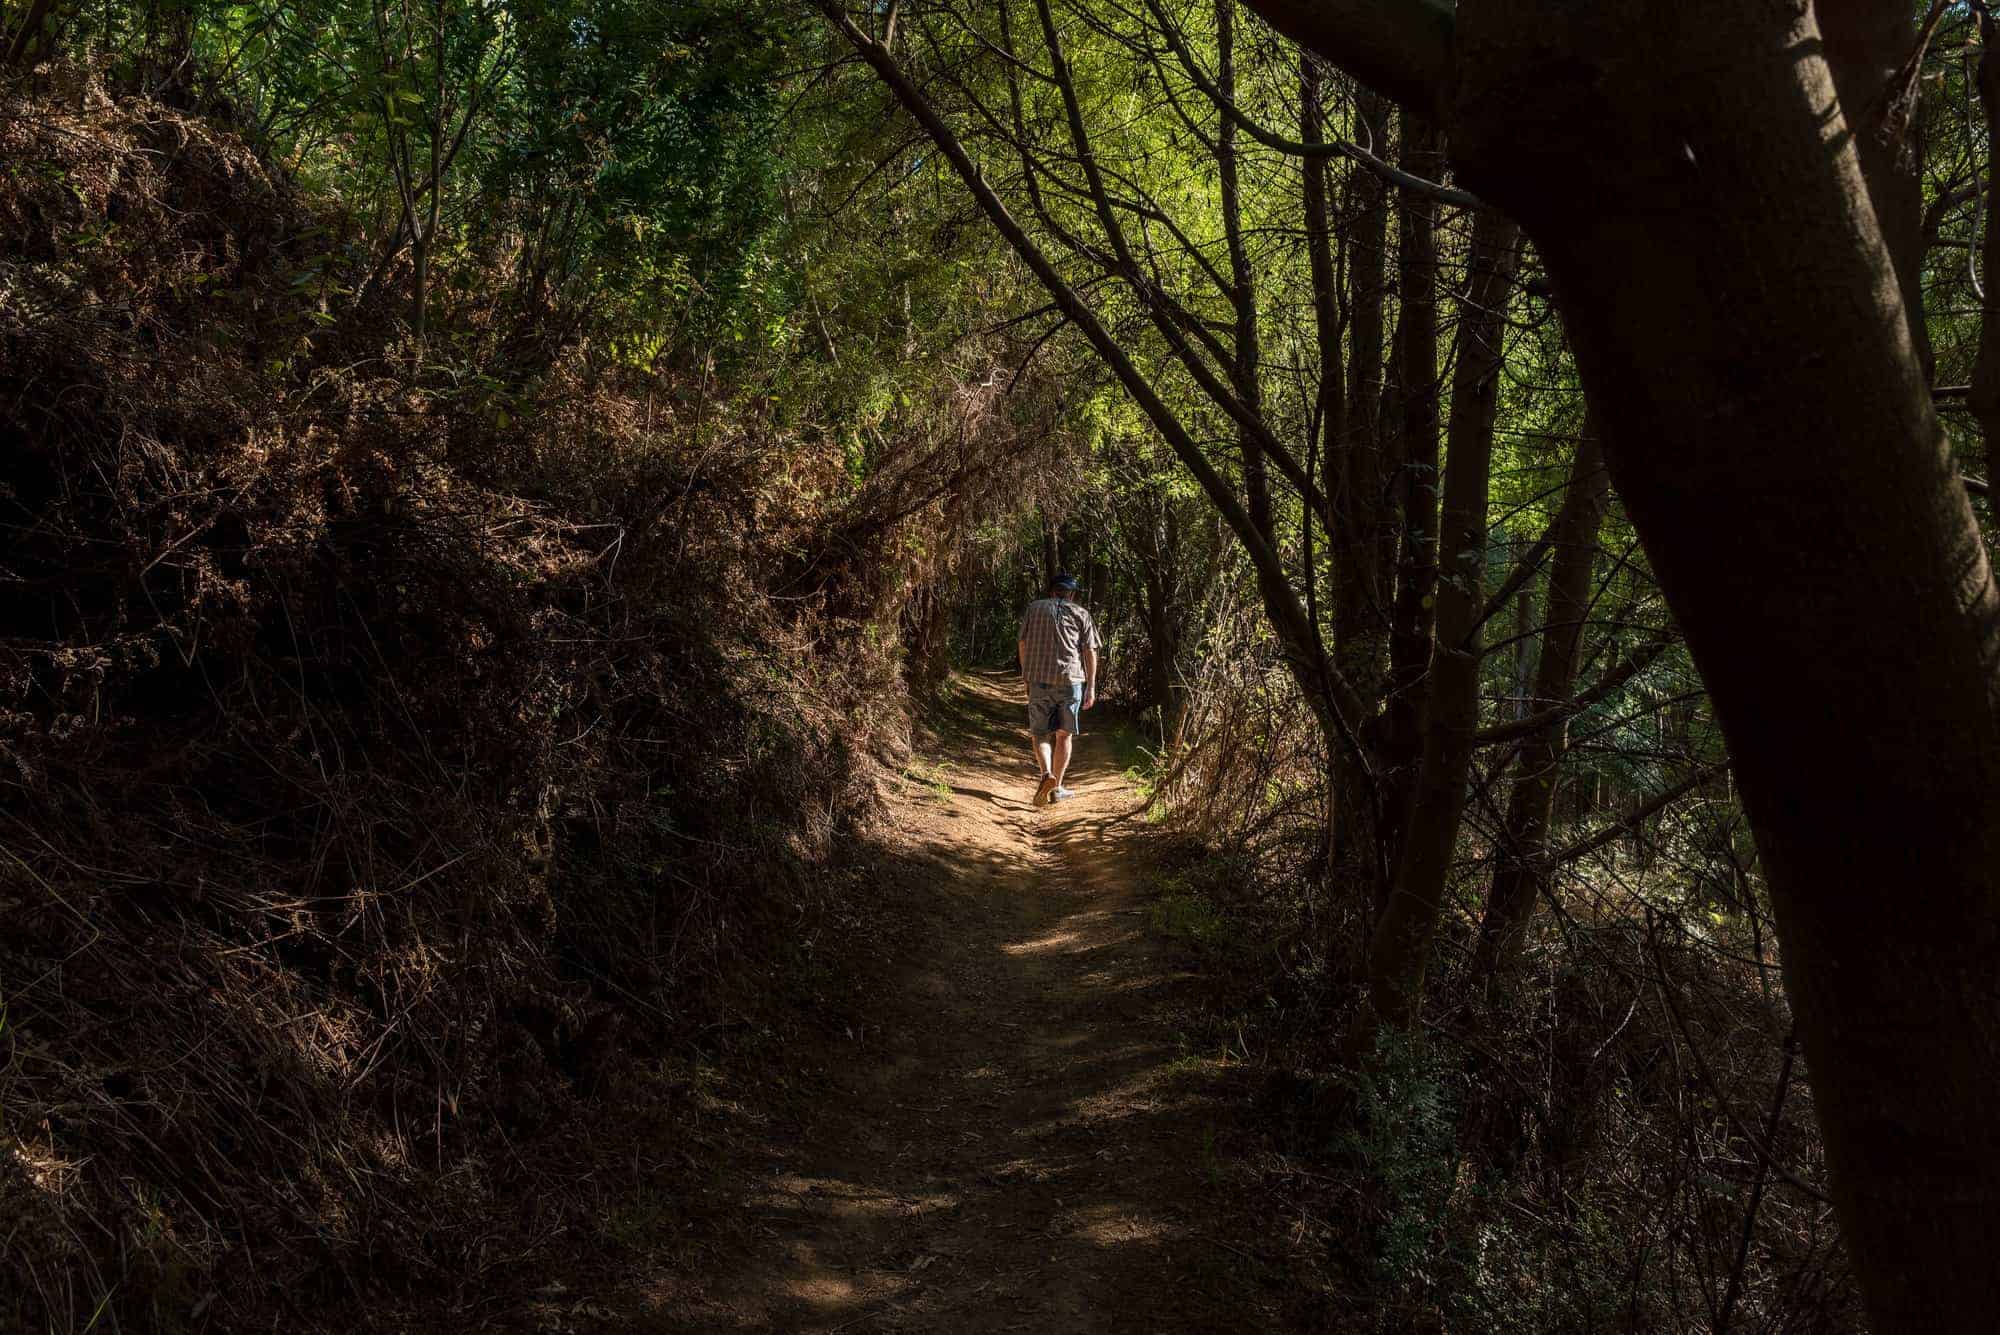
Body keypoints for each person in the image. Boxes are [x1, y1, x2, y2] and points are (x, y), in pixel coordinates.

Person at [1017, 571, 1102, 806]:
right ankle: (1057, 789)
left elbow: (1022, 643)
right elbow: (1090, 651)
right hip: (1071, 681)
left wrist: (1026, 676)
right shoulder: (1081, 613)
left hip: (1038, 680)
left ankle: (1047, 774)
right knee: (1064, 735)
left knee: (1040, 733)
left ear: (1051, 591)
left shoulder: (1034, 608)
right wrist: (1091, 686)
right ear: (1071, 594)